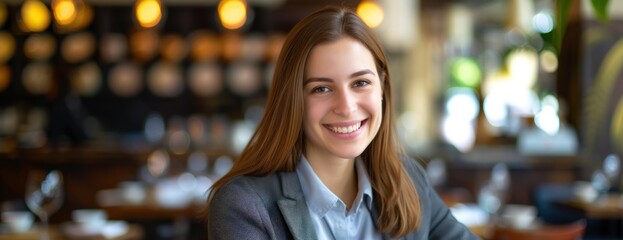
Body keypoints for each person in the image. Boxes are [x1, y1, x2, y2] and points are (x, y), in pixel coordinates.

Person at [205, 5, 478, 240]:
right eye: (322, 88)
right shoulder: (244, 205)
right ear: (293, 100)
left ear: (382, 87)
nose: (347, 107)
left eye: (360, 83)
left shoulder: (407, 179)